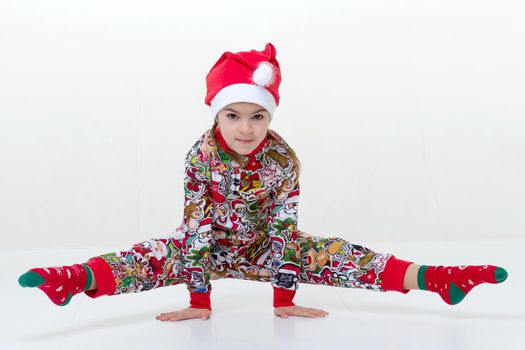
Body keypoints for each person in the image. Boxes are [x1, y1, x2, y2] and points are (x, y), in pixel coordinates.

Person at [18, 42, 508, 322]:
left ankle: (439, 280)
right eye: (233, 115)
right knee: (150, 254)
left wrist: (284, 297)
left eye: (257, 116)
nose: (246, 128)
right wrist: (199, 300)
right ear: (217, 115)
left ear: (269, 117)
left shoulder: (283, 159)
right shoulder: (201, 157)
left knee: (335, 252)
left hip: (265, 252)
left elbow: (285, 228)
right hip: (207, 248)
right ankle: (73, 280)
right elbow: (195, 229)